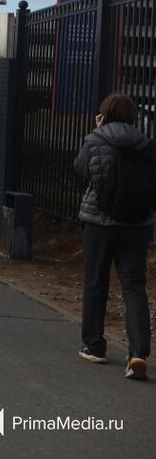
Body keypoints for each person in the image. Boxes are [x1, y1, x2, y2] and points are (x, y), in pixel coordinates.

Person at [73, 92, 154, 380]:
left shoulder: (97, 139)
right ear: (133, 116)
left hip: (99, 222)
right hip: (136, 225)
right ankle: (138, 354)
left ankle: (94, 346)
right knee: (134, 288)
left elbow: (81, 168)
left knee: (96, 283)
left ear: (104, 113)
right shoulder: (145, 144)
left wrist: (97, 130)